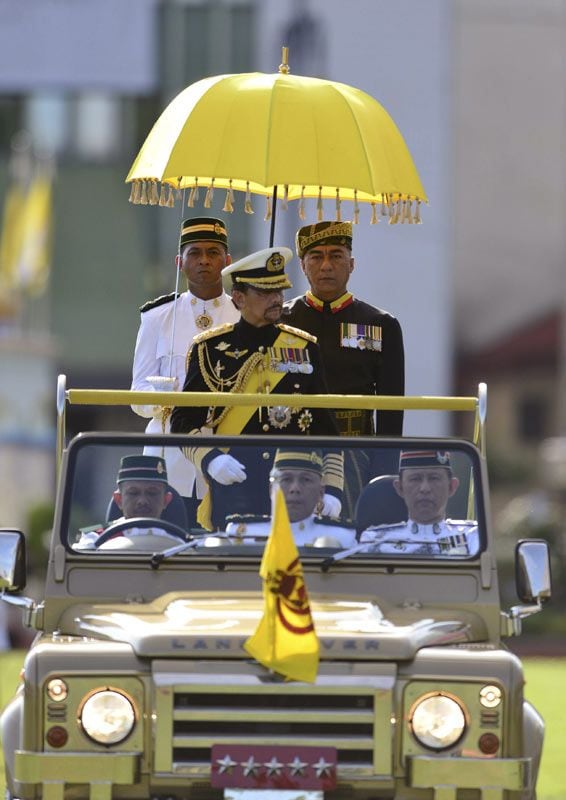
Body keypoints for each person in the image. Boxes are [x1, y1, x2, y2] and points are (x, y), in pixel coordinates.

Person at [170, 247, 343, 531]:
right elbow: (183, 421)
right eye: (264, 293)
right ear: (238, 298)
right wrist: (211, 460)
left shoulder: (304, 347)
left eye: (279, 291)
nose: (276, 300)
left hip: (294, 489)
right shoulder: (209, 349)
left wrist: (333, 488)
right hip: (235, 484)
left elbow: (327, 428)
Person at [284, 220, 405, 517]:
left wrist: (384, 472)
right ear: (302, 265)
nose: (326, 265)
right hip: (291, 448)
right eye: (316, 257)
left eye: (336, 256)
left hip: (355, 451)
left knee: (350, 534)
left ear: (351, 264)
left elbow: (391, 408)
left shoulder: (381, 323)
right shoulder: (282, 320)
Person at [131, 217, 240, 523]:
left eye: (213, 252)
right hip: (168, 455)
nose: (204, 260)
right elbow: (137, 394)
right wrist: (166, 399)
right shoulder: (158, 317)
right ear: (180, 262)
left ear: (228, 261)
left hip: (226, 454)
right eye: (195, 253)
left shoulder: (244, 316)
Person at [225, 449, 356, 548]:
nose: (295, 488)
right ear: (271, 489)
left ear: (321, 492)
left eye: (305, 480)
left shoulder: (343, 538)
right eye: (286, 479)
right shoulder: (242, 534)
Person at [358, 450, 479, 555]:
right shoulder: (375, 541)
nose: (424, 488)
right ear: (400, 488)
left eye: (434, 478)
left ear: (452, 487)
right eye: (415, 479)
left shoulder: (472, 538)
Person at [74, 455, 180, 549]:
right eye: (133, 493)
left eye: (152, 493)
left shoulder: (182, 542)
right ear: (118, 499)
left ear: (166, 500)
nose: (142, 501)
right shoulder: (95, 540)